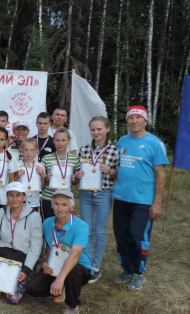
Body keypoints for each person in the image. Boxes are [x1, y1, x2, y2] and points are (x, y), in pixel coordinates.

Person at [112, 106, 168, 290]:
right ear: (126, 121)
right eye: (131, 118)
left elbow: (160, 175)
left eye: (138, 117)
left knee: (137, 235)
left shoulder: (155, 143)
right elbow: (119, 168)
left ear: (145, 120)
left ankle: (138, 272)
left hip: (143, 201)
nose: (134, 121)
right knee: (121, 234)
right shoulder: (122, 141)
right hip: (121, 197)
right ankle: (127, 268)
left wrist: (157, 203)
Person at [26, 190, 93, 314]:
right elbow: (49, 245)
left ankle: (72, 307)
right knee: (31, 288)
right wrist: (47, 262)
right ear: (51, 206)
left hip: (79, 268)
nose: (59, 208)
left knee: (72, 271)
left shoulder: (81, 226)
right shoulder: (47, 223)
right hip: (56, 265)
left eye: (64, 205)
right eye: (56, 204)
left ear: (72, 207)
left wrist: (60, 278)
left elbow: (75, 255)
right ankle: (60, 290)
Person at [74, 116, 119, 283]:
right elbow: (77, 174)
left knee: (99, 230)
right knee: (87, 230)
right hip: (86, 194)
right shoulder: (84, 150)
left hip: (103, 193)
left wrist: (111, 171)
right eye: (93, 129)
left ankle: (96, 266)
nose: (96, 132)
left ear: (107, 129)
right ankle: (87, 264)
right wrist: (78, 175)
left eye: (99, 129)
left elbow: (119, 175)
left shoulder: (114, 151)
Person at [0, 182, 43, 304]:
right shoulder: (0, 213)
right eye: (10, 195)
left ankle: (22, 280)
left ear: (24, 197)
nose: (14, 199)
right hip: (3, 260)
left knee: (13, 298)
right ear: (7, 196)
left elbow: (36, 246)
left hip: (23, 261)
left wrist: (26, 270)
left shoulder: (34, 216)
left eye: (18, 195)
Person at [41, 128, 81, 220]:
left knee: (64, 225)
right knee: (49, 224)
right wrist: (46, 178)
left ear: (69, 141)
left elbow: (76, 182)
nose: (60, 143)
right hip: (49, 198)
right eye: (57, 140)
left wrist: (75, 178)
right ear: (53, 141)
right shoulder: (46, 158)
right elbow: (42, 182)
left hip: (66, 199)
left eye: (63, 140)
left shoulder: (75, 159)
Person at [16, 138, 46, 213]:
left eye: (32, 150)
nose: (28, 153)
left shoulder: (40, 166)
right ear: (21, 150)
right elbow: (11, 183)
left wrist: (42, 175)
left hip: (34, 202)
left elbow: (42, 188)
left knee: (33, 219)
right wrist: (17, 176)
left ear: (36, 150)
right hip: (19, 201)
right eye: (26, 149)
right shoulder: (17, 165)